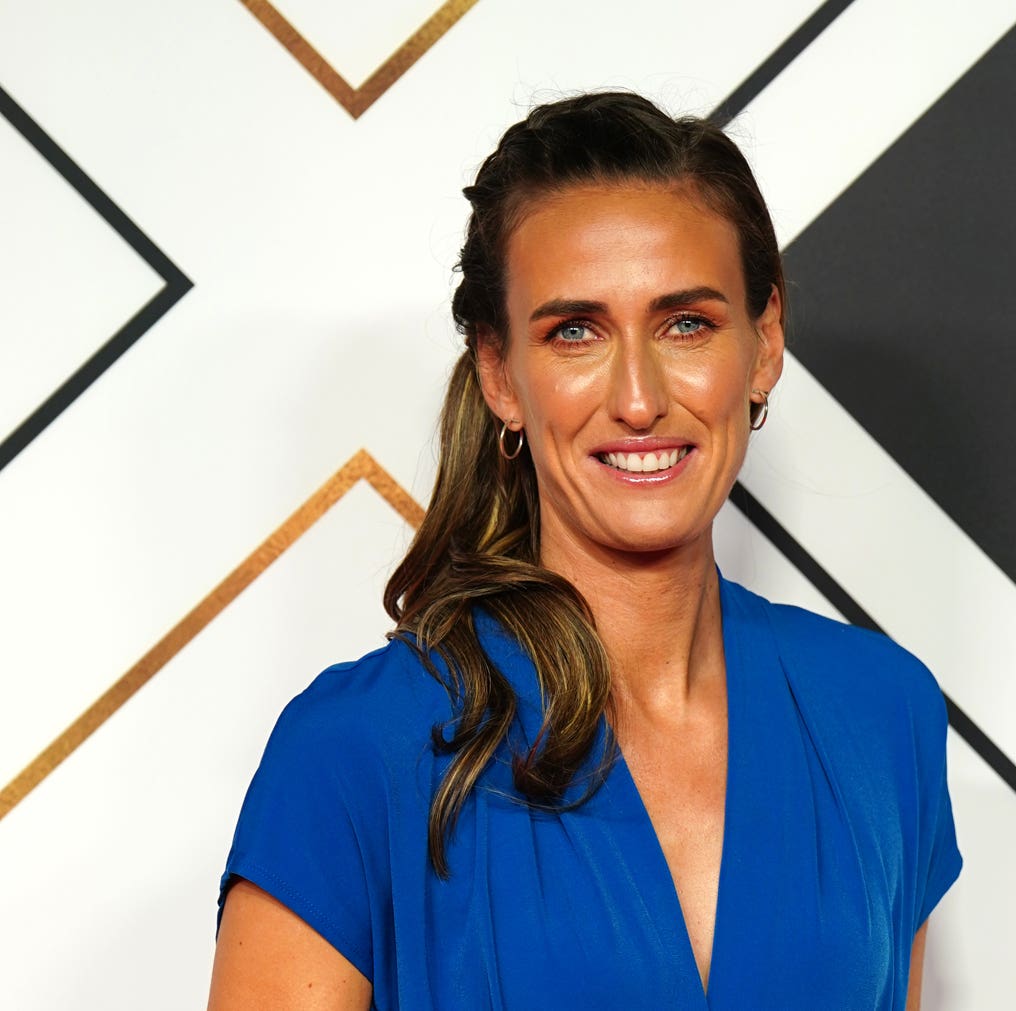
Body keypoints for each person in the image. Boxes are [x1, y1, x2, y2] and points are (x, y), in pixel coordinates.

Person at [208, 91, 961, 1010]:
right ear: (499, 373)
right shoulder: (355, 751)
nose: (638, 398)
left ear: (762, 344)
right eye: (575, 332)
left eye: (686, 322)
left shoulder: (883, 713)